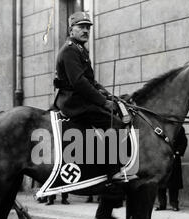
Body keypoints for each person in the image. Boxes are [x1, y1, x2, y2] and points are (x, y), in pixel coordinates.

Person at [54, 11, 134, 182]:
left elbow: (92, 82)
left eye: (88, 27)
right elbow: (79, 82)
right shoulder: (70, 50)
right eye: (81, 27)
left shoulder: (79, 49)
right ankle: (113, 172)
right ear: (71, 30)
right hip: (74, 102)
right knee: (117, 125)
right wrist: (103, 102)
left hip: (79, 99)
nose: (85, 31)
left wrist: (110, 97)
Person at [156, 127, 188, 212]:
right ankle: (162, 204)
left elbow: (183, 142)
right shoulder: (160, 127)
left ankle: (174, 204)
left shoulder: (179, 128)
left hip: (174, 159)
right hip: (162, 158)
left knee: (174, 184)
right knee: (161, 183)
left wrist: (177, 152)